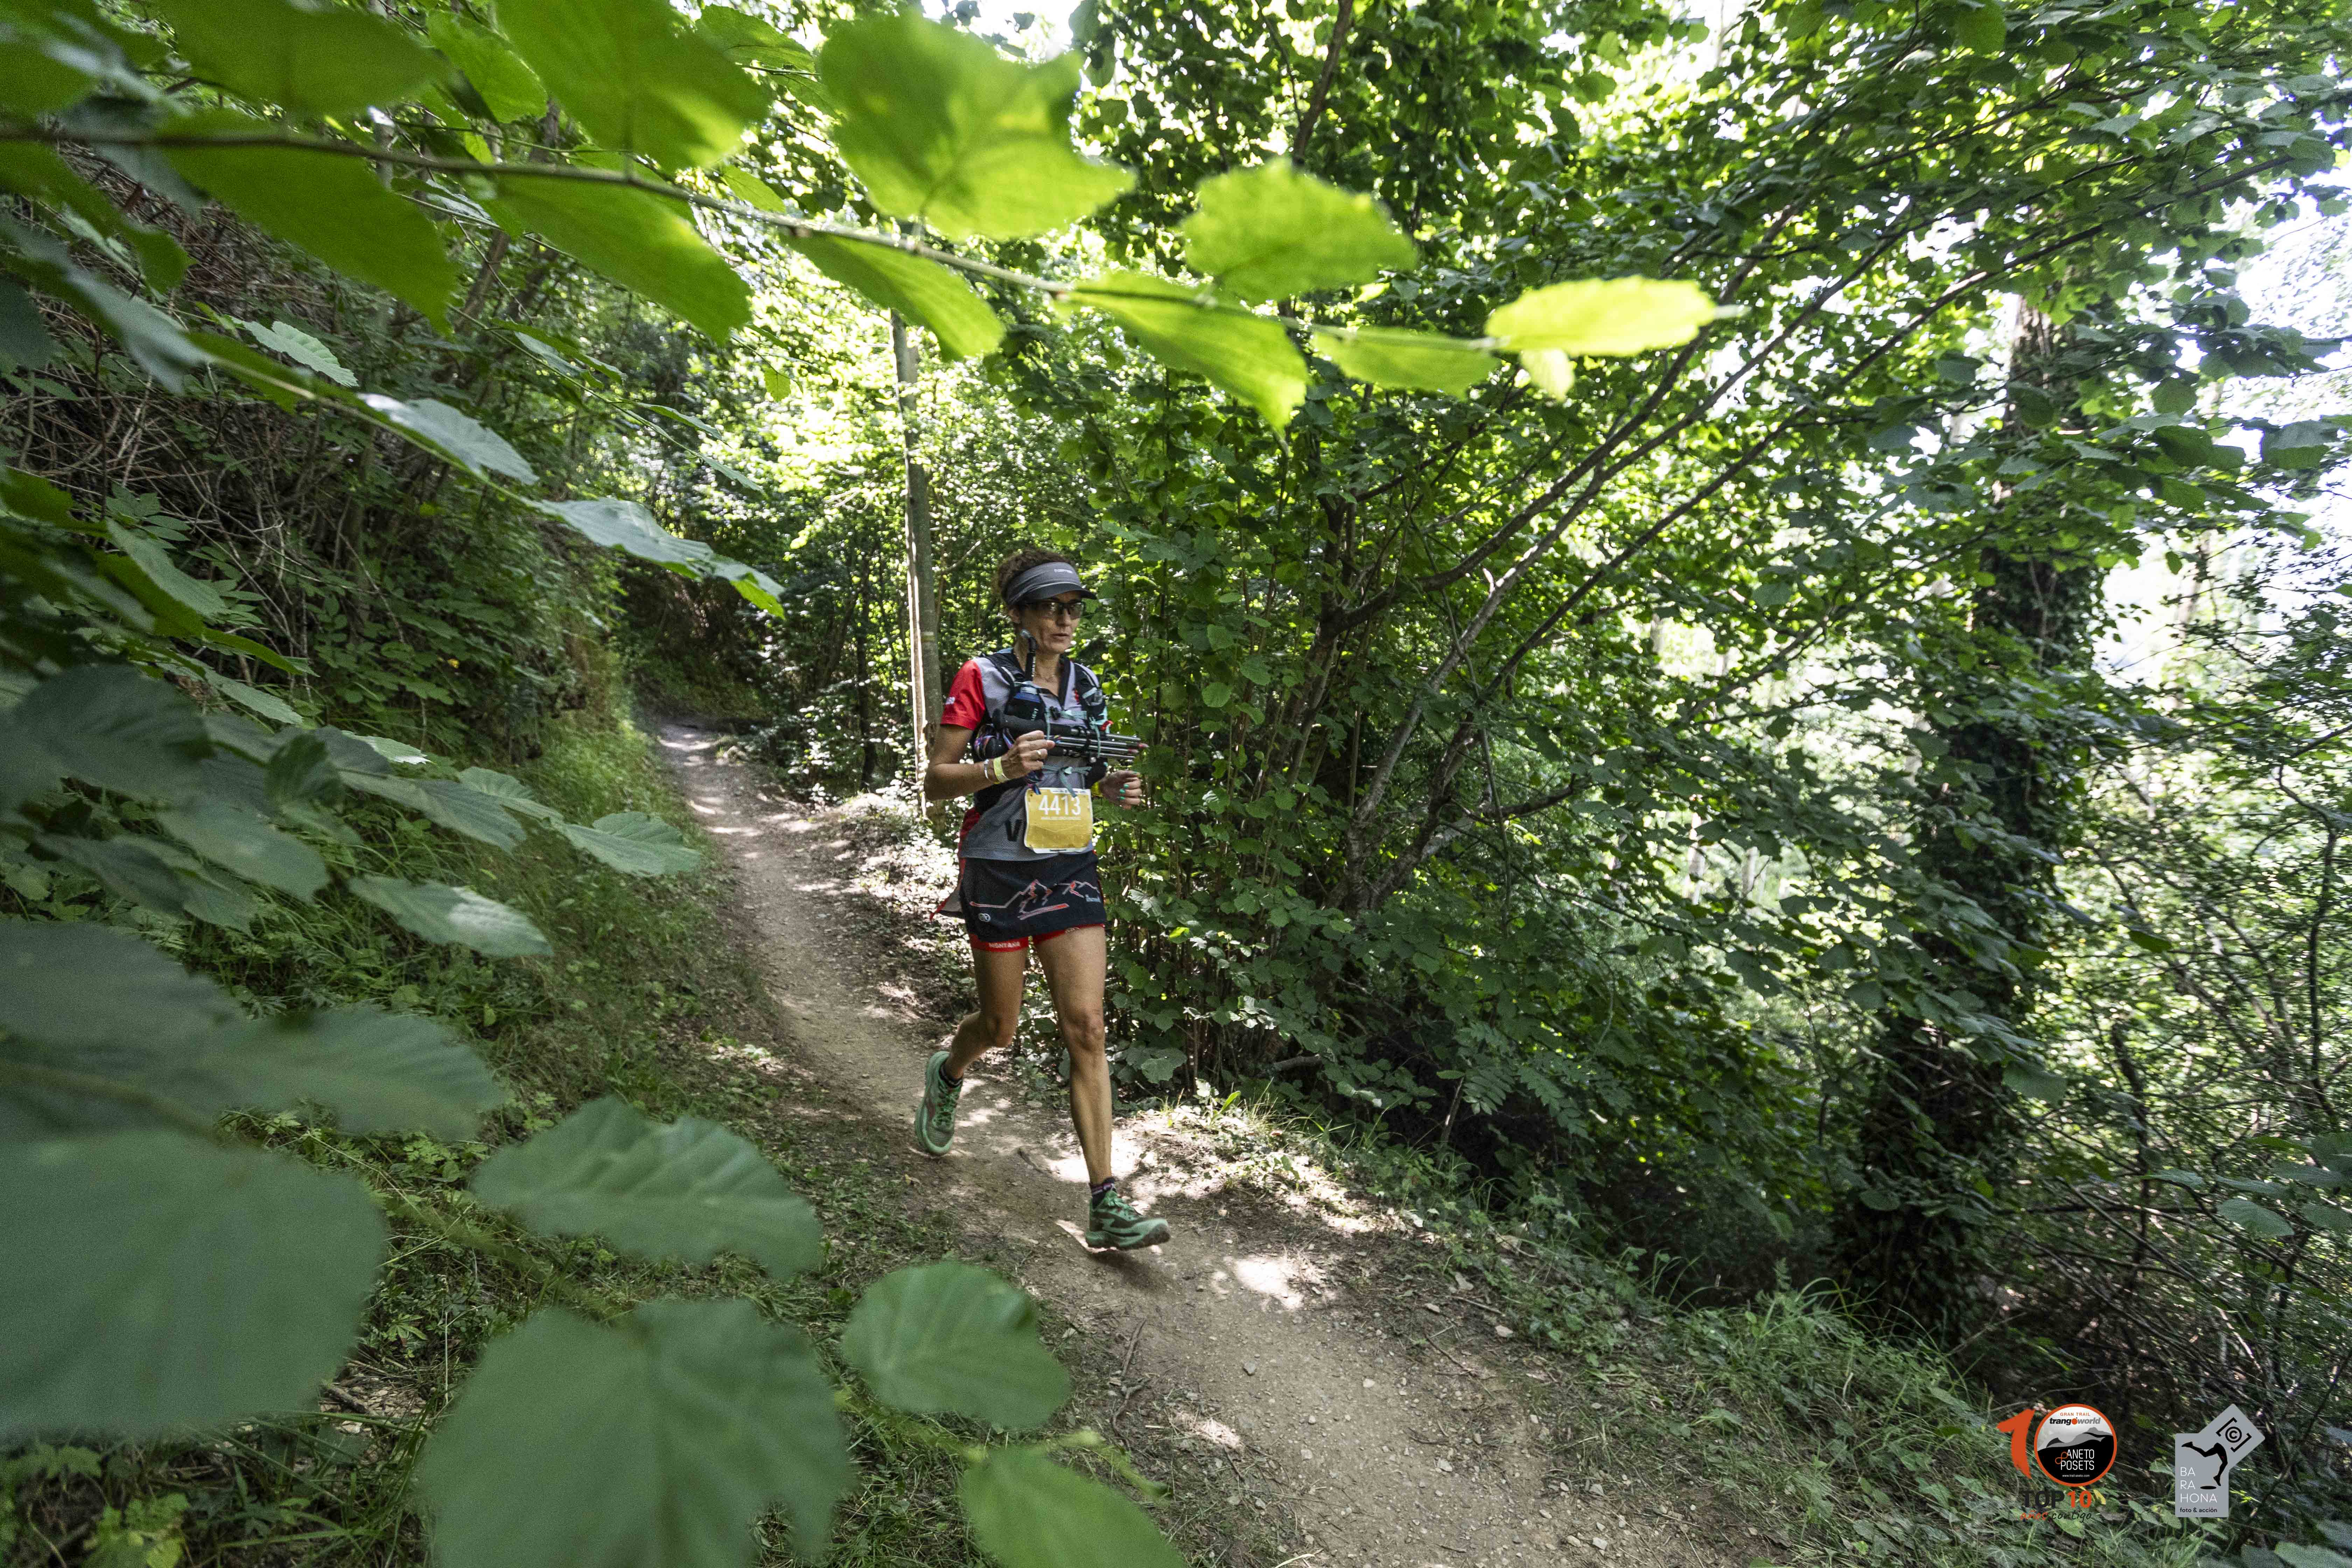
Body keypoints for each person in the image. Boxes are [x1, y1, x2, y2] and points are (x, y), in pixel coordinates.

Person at [912, 546, 1172, 1251]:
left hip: (1070, 864)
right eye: (1052, 606)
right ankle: (950, 1069)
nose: (1066, 618)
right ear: (1021, 614)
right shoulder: (983, 676)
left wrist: (1111, 787)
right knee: (1001, 1027)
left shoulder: (1087, 687)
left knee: (1086, 1024)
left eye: (1074, 605)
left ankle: (1105, 1201)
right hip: (997, 865)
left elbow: (1080, 775)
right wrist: (998, 765)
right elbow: (935, 780)